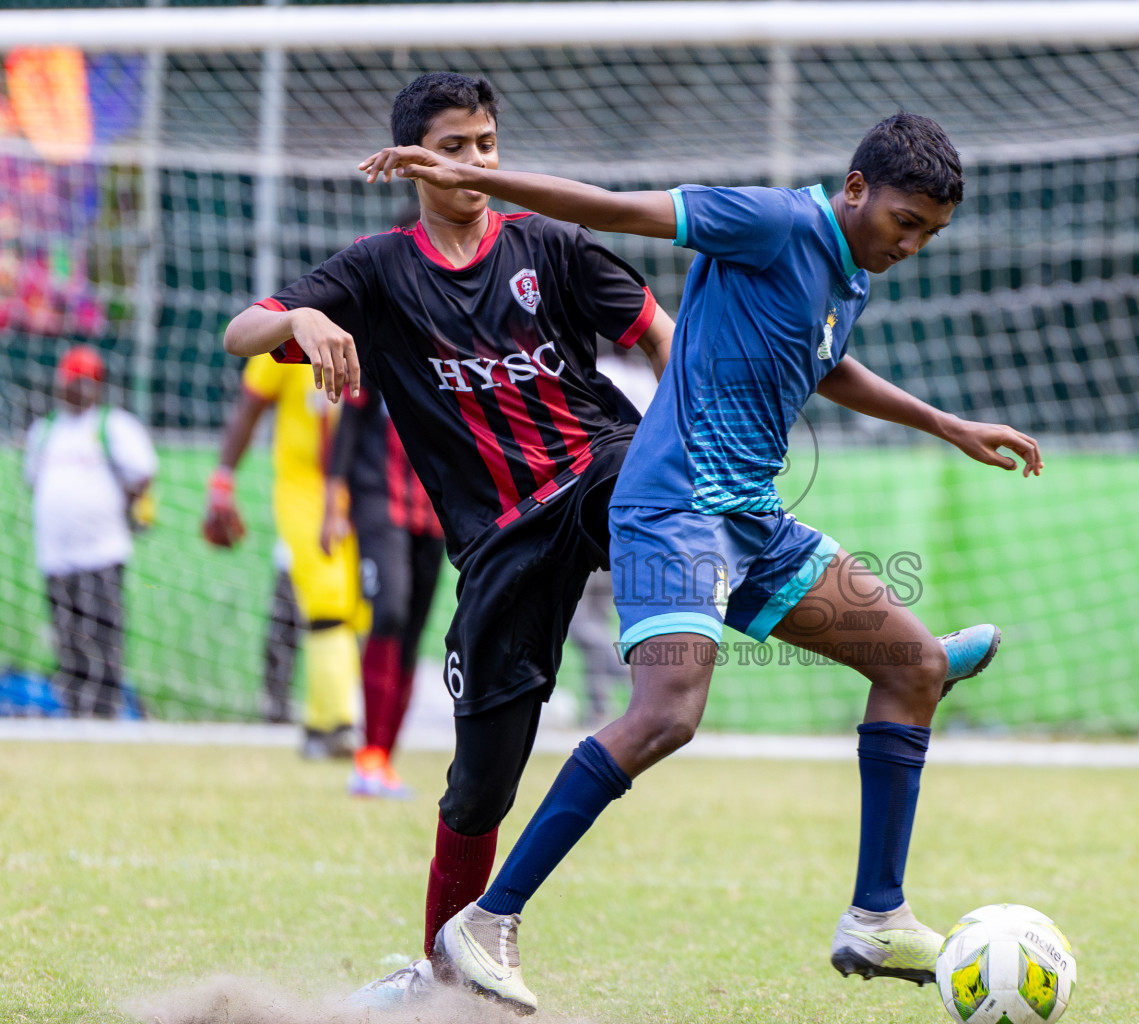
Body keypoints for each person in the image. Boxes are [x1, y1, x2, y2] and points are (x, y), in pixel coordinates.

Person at [357, 111, 1035, 1010]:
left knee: (911, 666)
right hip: (673, 509)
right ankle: (485, 923)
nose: (911, 243)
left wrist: (946, 424)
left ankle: (877, 915)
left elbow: (826, 364)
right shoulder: (774, 222)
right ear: (857, 190)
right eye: (904, 222)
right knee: (667, 714)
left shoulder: (847, 269)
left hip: (749, 521)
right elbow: (607, 207)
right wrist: (484, 185)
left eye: (930, 234)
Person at [220, 72, 675, 1006]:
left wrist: (683, 442)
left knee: (670, 490)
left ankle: (890, 648)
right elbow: (241, 332)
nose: (475, 162)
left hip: (595, 471)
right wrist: (303, 316)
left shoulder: (552, 243)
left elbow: (661, 337)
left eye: (488, 144)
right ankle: (439, 979)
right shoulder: (379, 270)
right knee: (476, 796)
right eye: (455, 146)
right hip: (500, 548)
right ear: (411, 160)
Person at [203, 349, 366, 757]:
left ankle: (317, 725)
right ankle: (337, 724)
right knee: (327, 599)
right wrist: (223, 481)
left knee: (358, 609)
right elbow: (250, 406)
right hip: (304, 491)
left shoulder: (378, 329)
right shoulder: (288, 340)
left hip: (361, 492)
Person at [321, 385, 446, 798]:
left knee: (412, 631)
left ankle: (382, 761)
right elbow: (351, 422)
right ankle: (369, 756)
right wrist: (333, 502)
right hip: (378, 499)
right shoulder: (380, 339)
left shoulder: (457, 348)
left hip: (436, 509)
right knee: (388, 612)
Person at [23, 345, 157, 718]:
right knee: (68, 638)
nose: (80, 389)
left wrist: (124, 506)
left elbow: (143, 473)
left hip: (102, 553)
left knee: (103, 638)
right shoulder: (45, 430)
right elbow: (33, 481)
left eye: (88, 382)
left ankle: (106, 711)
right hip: (56, 558)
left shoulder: (112, 425)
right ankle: (76, 710)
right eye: (73, 382)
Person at [568, 345, 657, 728]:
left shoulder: (599, 372)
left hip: (593, 508)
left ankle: (625, 674)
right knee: (599, 618)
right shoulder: (651, 380)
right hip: (637, 515)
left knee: (576, 621)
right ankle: (599, 707)